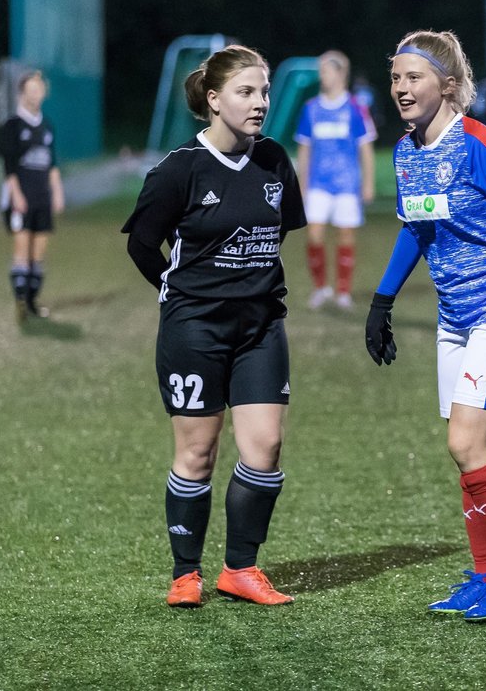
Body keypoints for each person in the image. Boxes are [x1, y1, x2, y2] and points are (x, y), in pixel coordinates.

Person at [364, 30, 486, 622]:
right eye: (396, 77)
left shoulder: (480, 143)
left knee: (465, 442)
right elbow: (416, 229)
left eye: (413, 77)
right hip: (454, 319)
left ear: (447, 86)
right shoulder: (406, 151)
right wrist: (382, 301)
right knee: (476, 447)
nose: (401, 88)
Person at [121, 45, 306, 609]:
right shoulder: (179, 170)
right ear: (213, 99)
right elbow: (140, 244)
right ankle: (185, 573)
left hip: (261, 328)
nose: (260, 103)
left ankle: (240, 569)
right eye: (247, 92)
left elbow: (277, 235)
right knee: (197, 453)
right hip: (194, 330)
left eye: (264, 92)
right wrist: (178, 292)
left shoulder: (273, 160)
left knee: (265, 446)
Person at [295, 50, 377, 310]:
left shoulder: (356, 108)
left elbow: (365, 148)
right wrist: (302, 183)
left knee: (345, 236)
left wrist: (368, 183)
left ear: (341, 73)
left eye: (325, 71)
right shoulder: (311, 109)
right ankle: (321, 288)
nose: (322, 76)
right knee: (314, 235)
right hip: (318, 183)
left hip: (347, 184)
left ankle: (343, 291)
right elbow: (305, 150)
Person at [0, 70, 64, 322]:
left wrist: (57, 192)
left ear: (44, 93)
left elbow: (52, 164)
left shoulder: (47, 127)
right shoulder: (11, 126)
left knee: (39, 254)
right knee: (22, 250)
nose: (35, 93)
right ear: (21, 93)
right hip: (21, 198)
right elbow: (9, 168)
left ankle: (32, 302)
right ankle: (20, 301)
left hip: (42, 197)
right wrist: (16, 196)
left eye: (39, 88)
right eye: (30, 89)